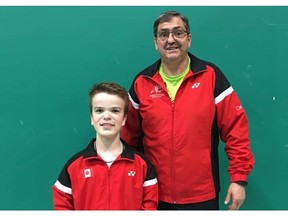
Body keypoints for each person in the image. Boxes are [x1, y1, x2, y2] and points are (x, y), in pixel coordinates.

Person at [121, 10, 255, 210]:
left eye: (178, 32)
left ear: (189, 39)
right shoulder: (142, 83)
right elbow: (127, 138)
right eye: (164, 34)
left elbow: (236, 128)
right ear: (155, 42)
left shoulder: (211, 77)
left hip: (202, 194)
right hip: (153, 192)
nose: (171, 40)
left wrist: (239, 178)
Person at [52, 82, 158, 210]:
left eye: (114, 110)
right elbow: (62, 207)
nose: (106, 116)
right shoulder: (73, 167)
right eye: (99, 110)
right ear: (92, 117)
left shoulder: (143, 165)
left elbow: (149, 208)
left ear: (124, 118)